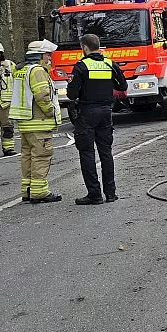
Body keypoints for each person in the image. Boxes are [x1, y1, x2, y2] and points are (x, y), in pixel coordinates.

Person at [66, 33, 126, 205]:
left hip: (87, 113)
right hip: (106, 113)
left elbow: (71, 94)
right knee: (106, 153)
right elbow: (122, 86)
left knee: (87, 153)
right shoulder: (109, 64)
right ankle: (111, 193)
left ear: (84, 47)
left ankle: (94, 194)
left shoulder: (81, 66)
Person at [11, 40, 62, 203]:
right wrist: (50, 111)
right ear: (39, 55)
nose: (49, 57)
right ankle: (39, 192)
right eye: (47, 54)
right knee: (41, 156)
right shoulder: (38, 70)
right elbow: (42, 95)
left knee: (27, 156)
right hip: (39, 121)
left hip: (25, 122)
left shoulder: (21, 69)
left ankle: (27, 190)